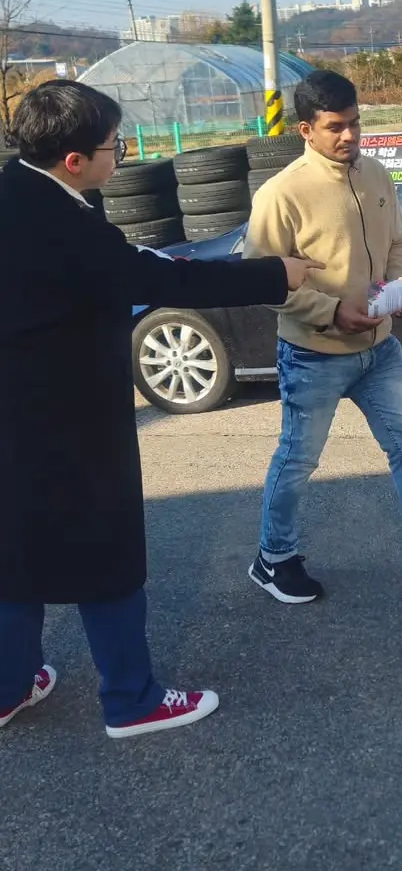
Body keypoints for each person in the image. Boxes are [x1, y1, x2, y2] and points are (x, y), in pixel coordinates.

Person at [0, 80, 320, 738]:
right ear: (74, 161)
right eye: (114, 146)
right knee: (107, 557)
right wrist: (274, 274)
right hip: (72, 420)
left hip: (11, 417)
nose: (121, 156)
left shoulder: (15, 194)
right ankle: (132, 701)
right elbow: (162, 280)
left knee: (14, 556)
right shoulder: (66, 227)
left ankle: (9, 687)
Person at [243, 69, 402, 602]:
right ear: (305, 130)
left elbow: (399, 242)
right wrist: (331, 311)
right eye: (335, 127)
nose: (349, 136)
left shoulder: (376, 174)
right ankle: (273, 558)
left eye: (355, 123)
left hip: (380, 351)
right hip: (313, 355)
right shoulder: (280, 194)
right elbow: (261, 281)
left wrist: (399, 287)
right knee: (298, 460)